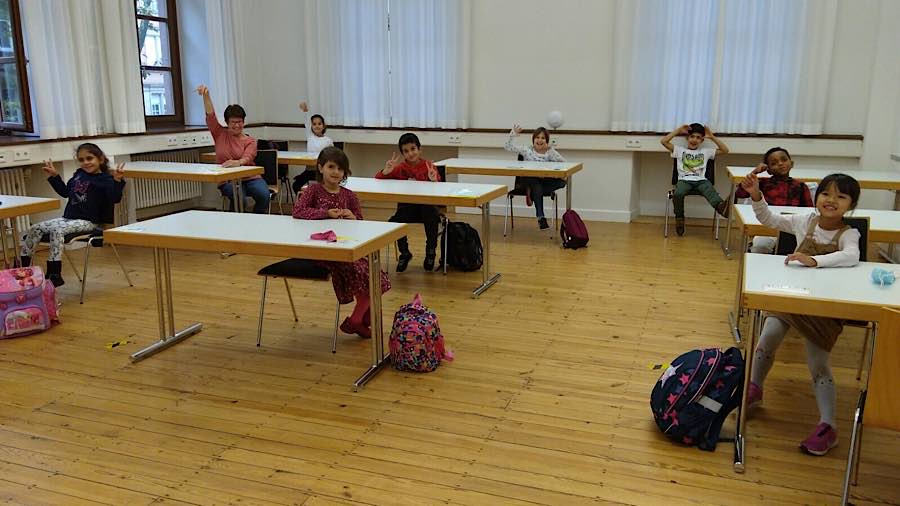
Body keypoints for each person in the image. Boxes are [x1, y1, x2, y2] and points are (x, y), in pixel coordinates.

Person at [740, 172, 862, 456]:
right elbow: (769, 220)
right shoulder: (804, 220)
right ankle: (755, 387)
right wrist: (757, 195)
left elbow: (851, 256)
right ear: (816, 196)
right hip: (793, 295)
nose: (831, 201)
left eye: (841, 197)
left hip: (824, 306)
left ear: (851, 205)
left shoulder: (849, 233)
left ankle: (828, 426)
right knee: (767, 337)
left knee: (818, 364)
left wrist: (814, 260)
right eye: (826, 194)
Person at [292, 147, 390, 339]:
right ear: (321, 168)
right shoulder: (313, 190)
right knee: (364, 274)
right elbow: (298, 212)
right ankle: (360, 320)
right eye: (331, 167)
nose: (336, 172)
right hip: (323, 251)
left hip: (348, 248)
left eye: (340, 169)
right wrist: (325, 213)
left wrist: (352, 217)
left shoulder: (349, 195)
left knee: (376, 274)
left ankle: (357, 319)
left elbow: (361, 222)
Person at [20, 143, 126, 287]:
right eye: (81, 160)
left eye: (90, 158)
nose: (86, 163)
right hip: (69, 218)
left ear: (100, 159)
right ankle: (24, 268)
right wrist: (55, 176)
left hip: (90, 221)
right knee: (35, 228)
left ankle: (54, 272)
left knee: (57, 231)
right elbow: (65, 192)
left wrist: (118, 180)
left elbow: (115, 198)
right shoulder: (78, 175)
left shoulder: (106, 179)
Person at [196, 84, 269, 214]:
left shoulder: (250, 141)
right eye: (233, 122)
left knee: (264, 195)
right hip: (227, 179)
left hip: (250, 177)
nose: (237, 125)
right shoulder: (219, 133)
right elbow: (210, 115)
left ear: (244, 121)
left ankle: (256, 220)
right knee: (239, 199)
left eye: (240, 121)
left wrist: (238, 162)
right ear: (227, 122)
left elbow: (249, 156)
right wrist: (206, 96)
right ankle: (235, 226)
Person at [376, 133, 442, 272]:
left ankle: (431, 251)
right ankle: (404, 253)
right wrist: (386, 171)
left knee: (431, 215)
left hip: (427, 209)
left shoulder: (428, 166)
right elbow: (378, 178)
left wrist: (433, 180)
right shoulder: (400, 168)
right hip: (408, 209)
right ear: (402, 153)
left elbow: (439, 187)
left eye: (413, 149)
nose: (410, 153)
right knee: (396, 220)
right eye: (406, 151)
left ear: (419, 149)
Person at [736, 147, 814, 253]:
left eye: (784, 160)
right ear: (768, 170)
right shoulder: (762, 183)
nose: (780, 164)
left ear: (792, 163)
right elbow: (740, 193)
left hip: (792, 226)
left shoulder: (800, 186)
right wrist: (755, 172)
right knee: (760, 246)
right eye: (774, 163)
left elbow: (808, 211)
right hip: (767, 224)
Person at [660, 123, 730, 236]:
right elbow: (663, 141)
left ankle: (721, 207)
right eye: (692, 136)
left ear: (702, 140)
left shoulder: (705, 152)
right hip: (684, 180)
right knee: (678, 193)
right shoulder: (679, 151)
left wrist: (712, 137)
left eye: (698, 138)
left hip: (701, 180)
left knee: (709, 189)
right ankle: (679, 218)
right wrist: (678, 130)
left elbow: (725, 150)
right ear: (687, 138)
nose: (694, 140)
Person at [504, 124, 566, 230]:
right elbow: (508, 147)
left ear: (546, 140)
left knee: (562, 183)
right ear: (533, 139)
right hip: (527, 180)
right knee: (536, 185)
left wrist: (551, 150)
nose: (540, 140)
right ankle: (541, 218)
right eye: (537, 137)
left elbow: (563, 163)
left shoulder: (549, 153)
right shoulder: (527, 150)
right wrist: (513, 134)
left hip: (543, 181)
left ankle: (531, 193)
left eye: (543, 138)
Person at [293, 101, 335, 193]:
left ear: (323, 126)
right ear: (311, 126)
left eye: (319, 124)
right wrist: (305, 111)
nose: (317, 126)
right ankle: (302, 205)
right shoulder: (310, 136)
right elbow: (307, 123)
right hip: (309, 170)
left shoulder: (328, 140)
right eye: (314, 124)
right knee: (296, 185)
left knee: (322, 188)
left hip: (322, 172)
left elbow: (332, 156)